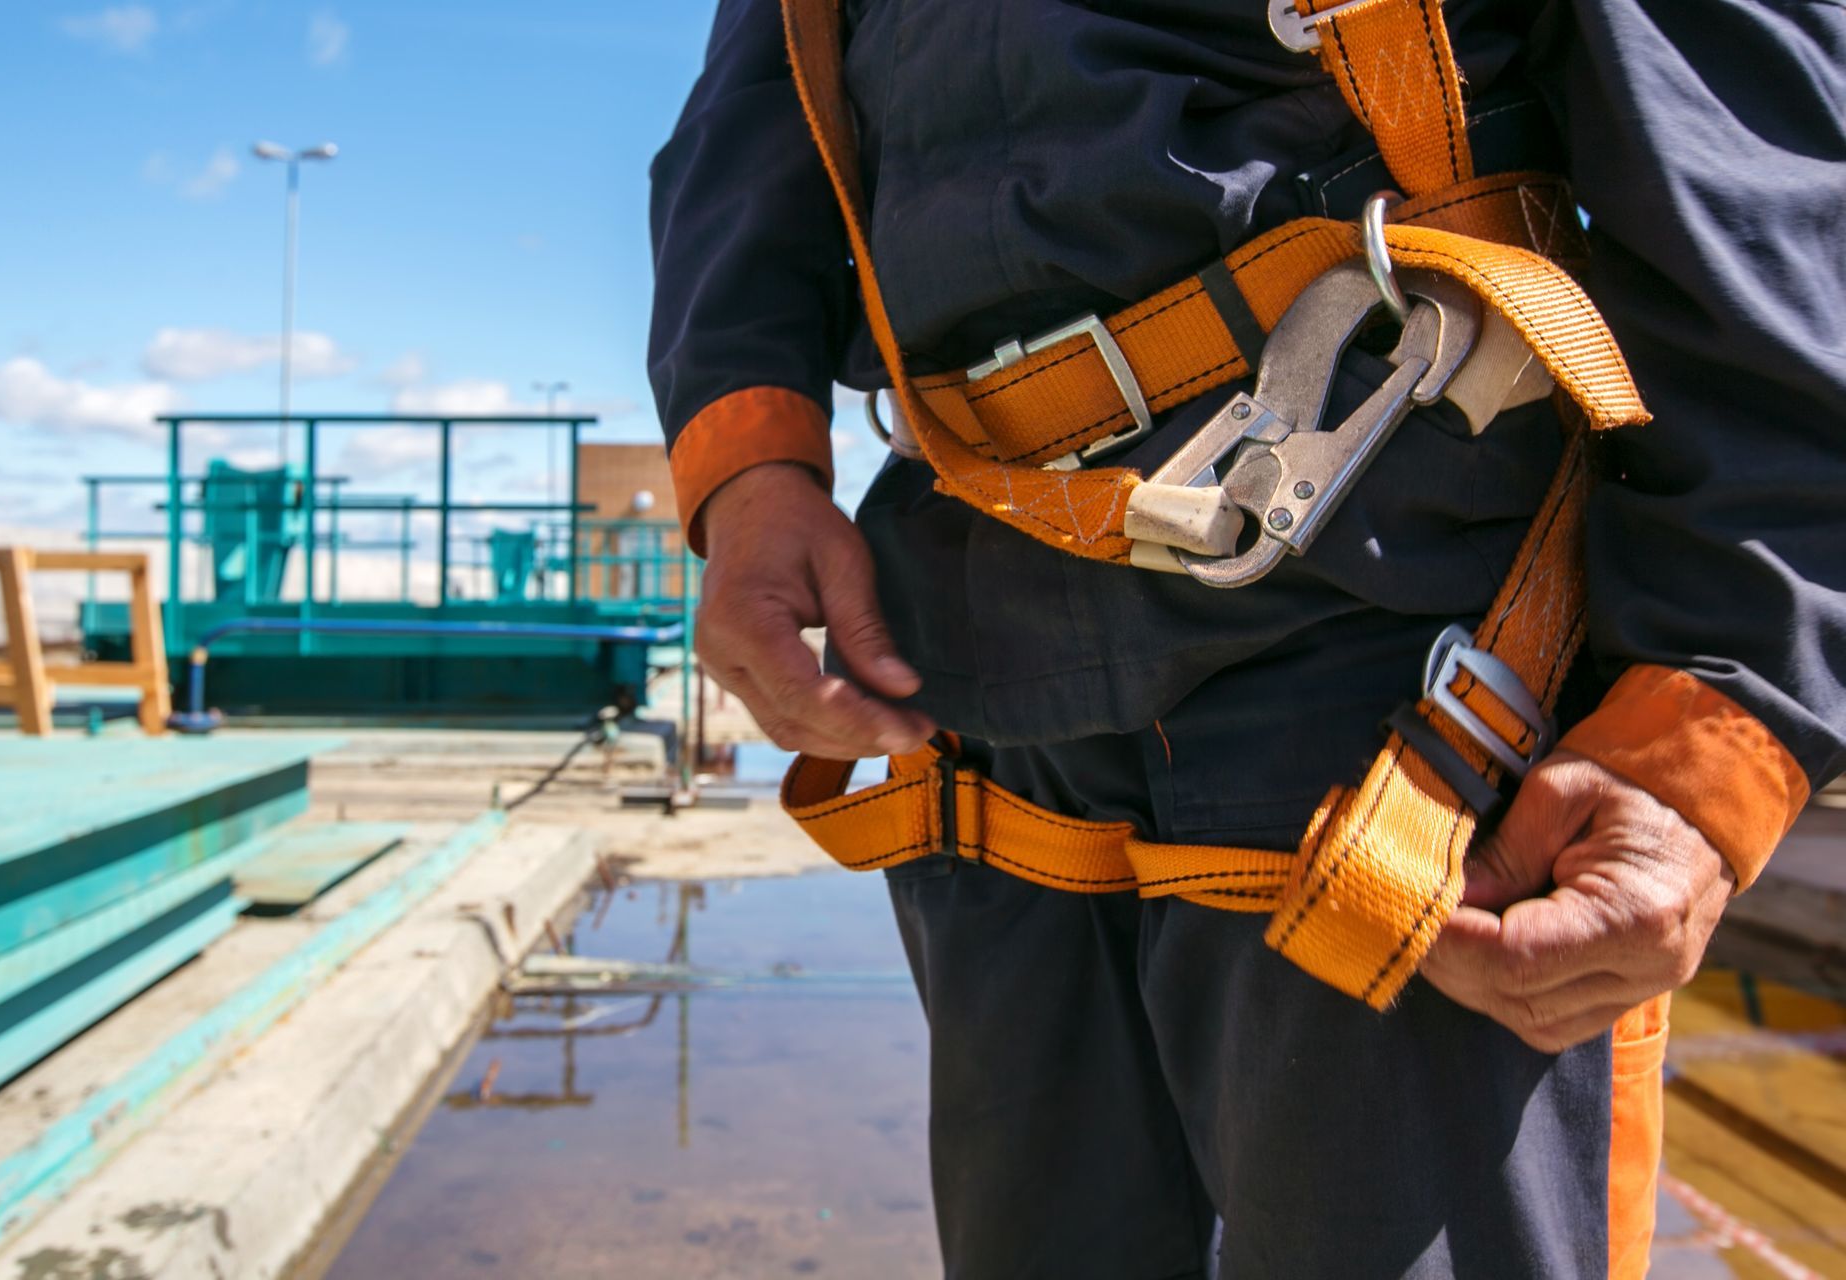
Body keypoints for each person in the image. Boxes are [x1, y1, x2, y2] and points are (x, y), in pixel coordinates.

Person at [648, 1, 1846, 1275]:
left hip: (1399, 674)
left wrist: (1715, 727)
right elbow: (768, 89)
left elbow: (1753, 162)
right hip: (985, 670)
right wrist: (749, 462)